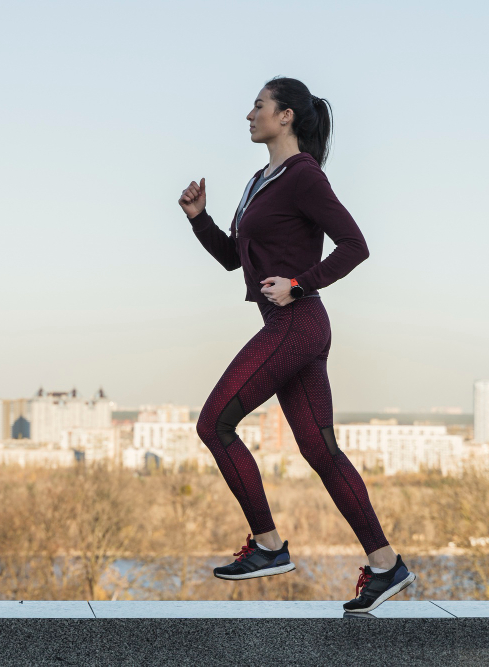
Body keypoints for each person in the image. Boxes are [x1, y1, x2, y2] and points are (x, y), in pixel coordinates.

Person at [177, 77, 415, 613]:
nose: (249, 115)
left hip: (297, 323)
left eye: (258, 105)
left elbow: (356, 245)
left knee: (213, 424)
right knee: (320, 451)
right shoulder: (259, 181)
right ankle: (386, 565)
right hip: (296, 329)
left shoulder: (303, 176)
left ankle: (267, 546)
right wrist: (199, 220)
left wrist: (300, 284)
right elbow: (233, 258)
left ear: (285, 116)